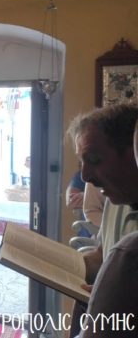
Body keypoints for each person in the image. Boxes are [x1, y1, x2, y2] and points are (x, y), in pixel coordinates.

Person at [67, 104, 138, 337]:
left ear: (133, 152)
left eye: (95, 160)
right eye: (82, 163)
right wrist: (67, 265)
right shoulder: (114, 198)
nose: (85, 176)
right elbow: (103, 252)